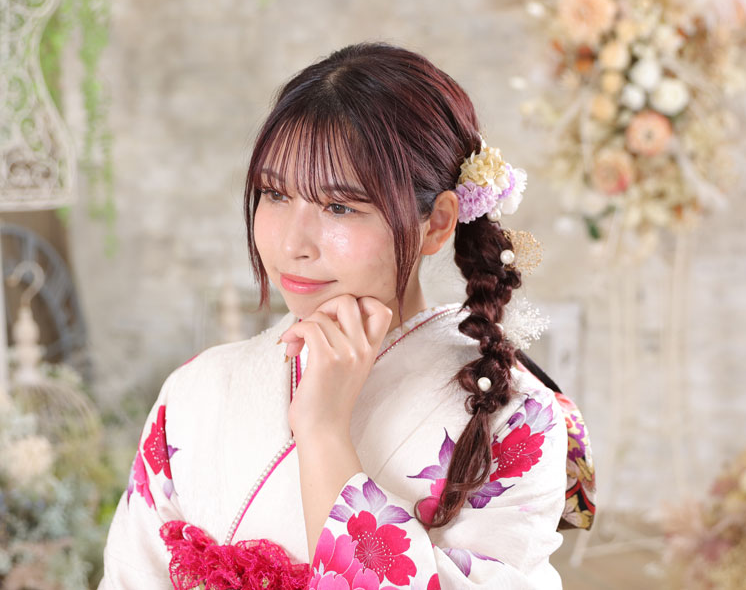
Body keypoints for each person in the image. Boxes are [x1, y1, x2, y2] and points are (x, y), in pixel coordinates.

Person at [99, 42, 595, 590]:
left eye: (339, 206)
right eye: (274, 194)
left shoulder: (514, 416)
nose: (293, 244)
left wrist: (323, 431)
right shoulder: (195, 390)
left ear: (436, 223)